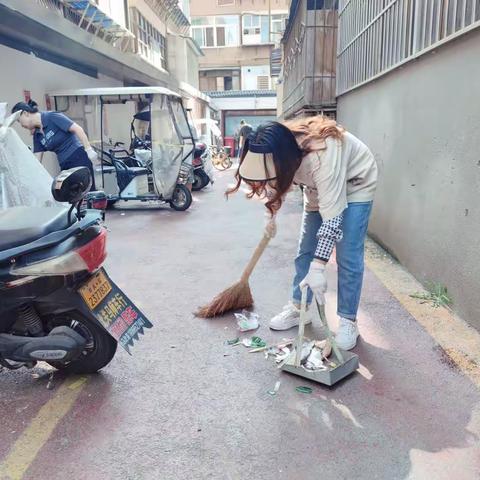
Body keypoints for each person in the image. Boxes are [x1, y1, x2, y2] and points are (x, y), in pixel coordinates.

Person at [228, 117, 378, 350]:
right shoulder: (275, 144)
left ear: (285, 159)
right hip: (317, 187)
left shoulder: (323, 156)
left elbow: (333, 220)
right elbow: (277, 182)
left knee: (348, 254)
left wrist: (319, 267)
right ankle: (300, 308)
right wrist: (271, 215)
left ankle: (348, 320)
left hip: (355, 182)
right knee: (305, 250)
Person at [11, 100, 98, 189]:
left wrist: (88, 149)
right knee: (70, 196)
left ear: (25, 113)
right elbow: (37, 161)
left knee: (87, 194)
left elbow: (78, 129)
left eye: (19, 120)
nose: (21, 125)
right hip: (64, 165)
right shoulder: (37, 135)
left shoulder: (51, 116)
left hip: (78, 157)